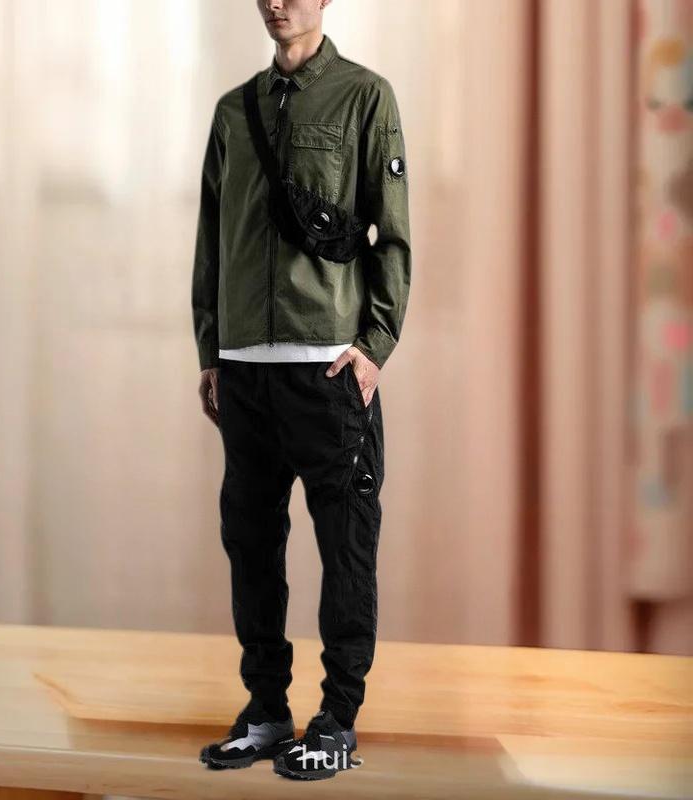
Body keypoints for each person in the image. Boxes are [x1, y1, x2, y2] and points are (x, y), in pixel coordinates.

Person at [192, 0, 411, 781]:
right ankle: (266, 712)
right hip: (245, 370)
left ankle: (338, 721)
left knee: (346, 544)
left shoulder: (365, 96)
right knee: (251, 543)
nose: (277, 3)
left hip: (327, 371)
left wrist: (374, 345)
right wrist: (211, 348)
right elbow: (212, 239)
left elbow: (392, 234)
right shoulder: (233, 111)